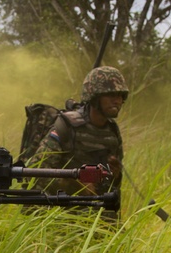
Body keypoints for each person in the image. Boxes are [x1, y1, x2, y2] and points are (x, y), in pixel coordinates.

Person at [29, 66, 127, 220]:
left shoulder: (112, 132)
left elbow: (112, 187)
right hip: (59, 212)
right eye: (111, 95)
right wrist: (74, 185)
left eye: (121, 95)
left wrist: (115, 176)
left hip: (95, 212)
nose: (118, 100)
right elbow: (34, 173)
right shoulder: (67, 127)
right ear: (94, 97)